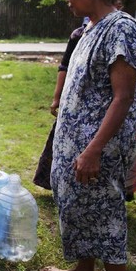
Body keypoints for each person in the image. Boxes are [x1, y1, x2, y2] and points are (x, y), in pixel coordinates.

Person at [41, 0, 136, 271]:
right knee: (75, 207)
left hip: (99, 149)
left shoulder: (122, 29)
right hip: (73, 143)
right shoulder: (88, 28)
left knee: (106, 216)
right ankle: (82, 270)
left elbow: (123, 97)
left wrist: (93, 150)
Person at [33, 17, 89, 190]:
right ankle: (56, 183)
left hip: (93, 110)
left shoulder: (116, 31)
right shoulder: (78, 35)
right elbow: (64, 66)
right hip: (71, 103)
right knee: (60, 145)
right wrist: (57, 97)